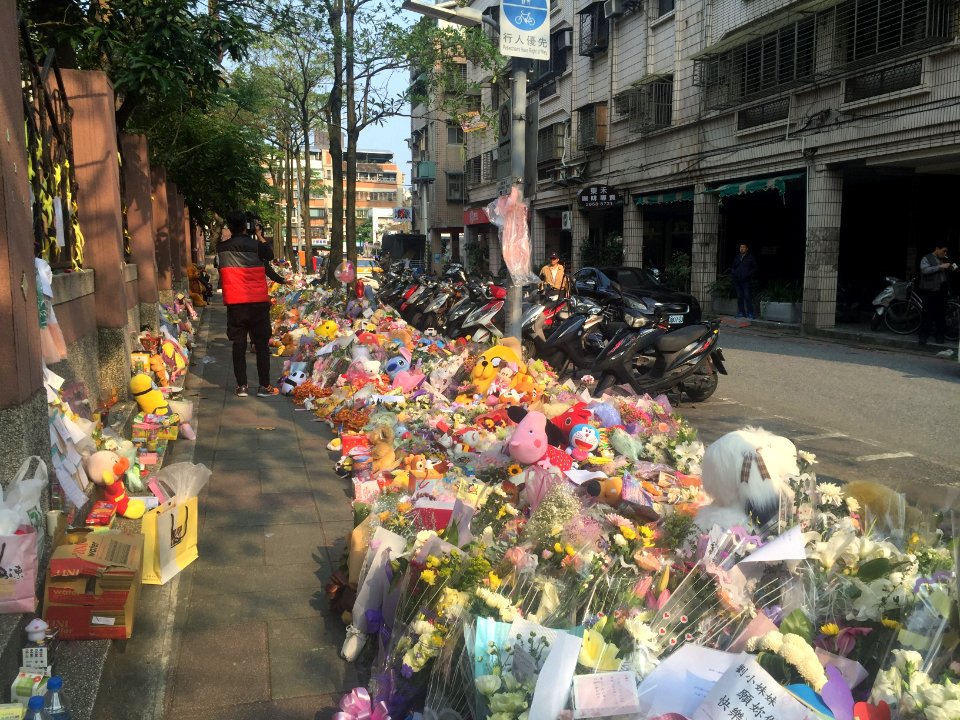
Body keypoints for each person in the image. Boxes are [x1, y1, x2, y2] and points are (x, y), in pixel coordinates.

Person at [217, 210, 286, 397]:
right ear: (247, 226)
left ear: (230, 227)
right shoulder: (257, 246)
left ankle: (242, 387)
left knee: (238, 345)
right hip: (257, 303)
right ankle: (265, 386)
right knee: (262, 345)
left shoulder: (222, 248)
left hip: (235, 304)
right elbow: (270, 255)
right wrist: (258, 234)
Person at [917, 243, 956, 345]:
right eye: (943, 250)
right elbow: (924, 270)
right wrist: (940, 266)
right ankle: (923, 336)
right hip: (929, 290)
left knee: (941, 314)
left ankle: (939, 336)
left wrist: (951, 268)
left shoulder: (944, 258)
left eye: (946, 251)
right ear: (937, 248)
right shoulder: (927, 258)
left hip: (942, 289)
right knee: (927, 314)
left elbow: (948, 272)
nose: (945, 253)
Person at [730, 243, 758, 319]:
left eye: (743, 247)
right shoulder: (737, 257)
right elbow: (733, 267)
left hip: (746, 280)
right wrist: (734, 273)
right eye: (740, 247)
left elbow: (755, 268)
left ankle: (750, 313)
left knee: (747, 296)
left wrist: (748, 274)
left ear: (747, 248)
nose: (741, 248)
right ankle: (741, 312)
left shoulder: (750, 258)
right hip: (737, 280)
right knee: (739, 297)